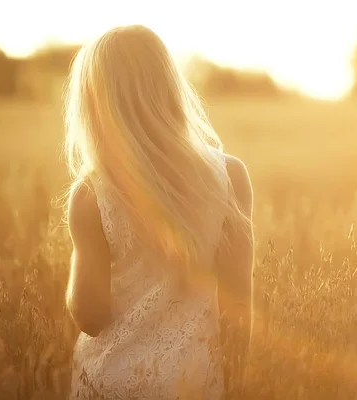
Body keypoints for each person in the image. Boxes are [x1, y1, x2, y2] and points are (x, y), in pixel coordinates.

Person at [63, 24, 254, 400]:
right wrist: (236, 381)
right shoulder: (229, 176)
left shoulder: (91, 194)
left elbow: (90, 316)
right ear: (169, 89)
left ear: (93, 106)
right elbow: (239, 306)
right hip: (192, 383)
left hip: (108, 385)